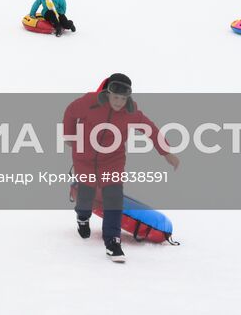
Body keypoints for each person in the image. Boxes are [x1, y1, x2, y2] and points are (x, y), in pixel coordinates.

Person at [63, 74, 179, 261]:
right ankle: (82, 217)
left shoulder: (131, 112)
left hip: (112, 161)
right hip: (84, 157)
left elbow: (150, 129)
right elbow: (70, 112)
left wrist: (166, 152)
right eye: (116, 97)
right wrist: (69, 135)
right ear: (107, 93)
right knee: (86, 193)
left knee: (113, 198)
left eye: (123, 98)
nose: (119, 102)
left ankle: (112, 241)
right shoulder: (89, 102)